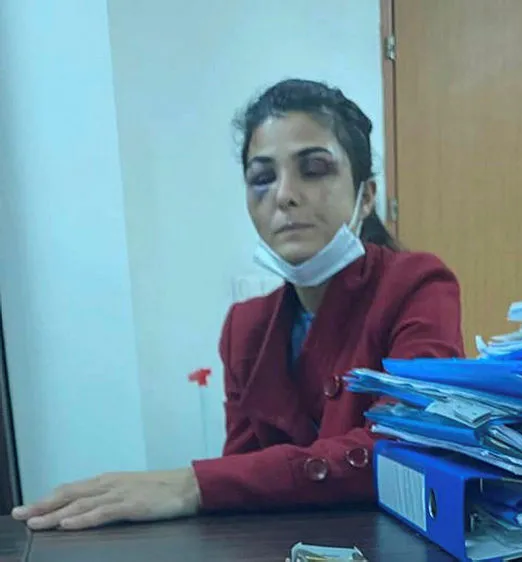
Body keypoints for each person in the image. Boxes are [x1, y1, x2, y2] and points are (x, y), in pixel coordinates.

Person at [12, 78, 464, 531]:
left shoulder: (418, 286)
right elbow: (241, 487)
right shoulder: (246, 327)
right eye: (262, 178)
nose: (284, 195)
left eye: (314, 169)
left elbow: (409, 451)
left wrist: (192, 484)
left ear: (365, 196)